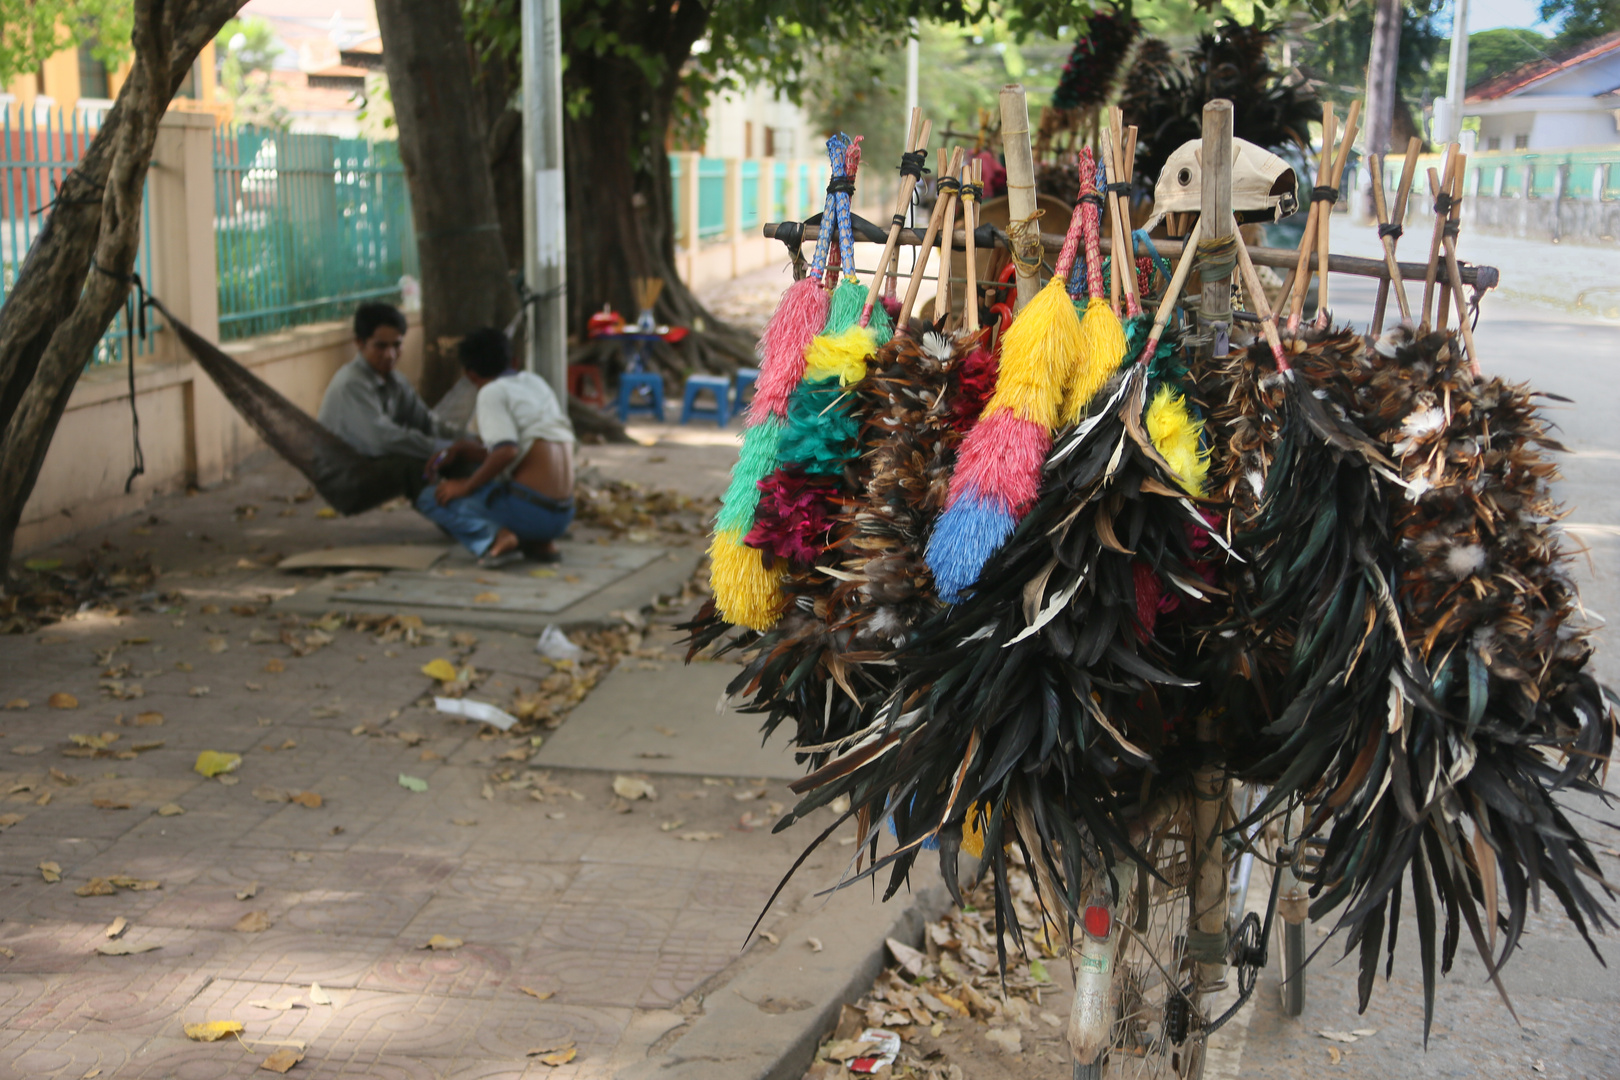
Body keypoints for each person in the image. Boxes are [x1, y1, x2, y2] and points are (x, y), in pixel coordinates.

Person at [416, 328, 575, 566]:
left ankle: (494, 539)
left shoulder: (491, 392)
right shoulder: (534, 382)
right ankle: (540, 543)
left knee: (431, 497)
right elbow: (521, 448)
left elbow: (506, 451)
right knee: (498, 483)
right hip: (563, 514)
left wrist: (466, 486)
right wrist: (461, 449)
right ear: (514, 361)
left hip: (531, 513)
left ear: (469, 375)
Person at [317, 302, 467, 497]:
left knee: (461, 460)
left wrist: (468, 442)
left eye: (396, 345)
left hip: (373, 460)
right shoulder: (351, 384)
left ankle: (485, 510)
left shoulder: (395, 380)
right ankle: (465, 521)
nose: (390, 355)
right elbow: (382, 439)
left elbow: (426, 423)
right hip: (344, 472)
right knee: (417, 466)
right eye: (381, 346)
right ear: (359, 343)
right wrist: (445, 449)